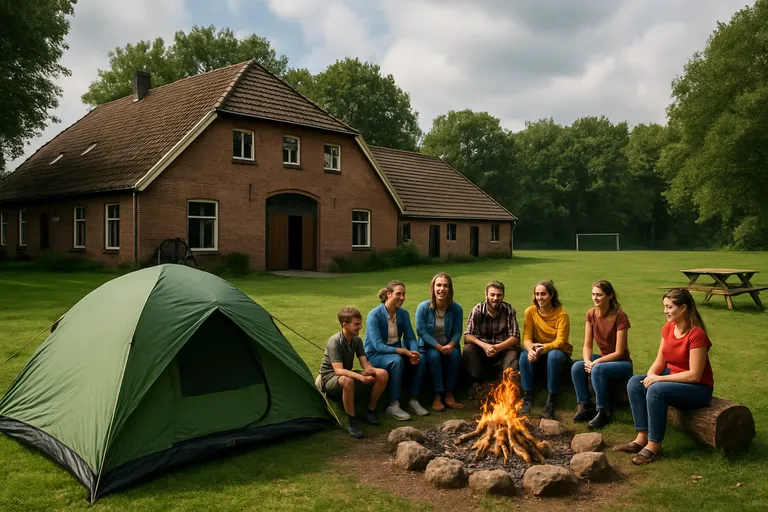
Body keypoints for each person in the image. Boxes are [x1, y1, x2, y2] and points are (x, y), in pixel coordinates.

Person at [615, 288, 714, 465]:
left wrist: (658, 379)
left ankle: (654, 445)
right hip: (674, 377)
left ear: (683, 308)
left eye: (669, 307)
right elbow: (660, 361)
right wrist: (651, 375)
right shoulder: (669, 328)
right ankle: (642, 437)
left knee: (656, 389)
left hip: (698, 389)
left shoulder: (696, 334)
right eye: (665, 306)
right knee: (635, 383)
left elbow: (694, 375)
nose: (665, 311)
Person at [318, 307, 389, 438]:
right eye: (356, 324)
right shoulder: (335, 341)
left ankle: (370, 410)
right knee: (347, 380)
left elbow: (364, 362)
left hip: (346, 373)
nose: (360, 327)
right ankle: (351, 420)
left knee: (382, 373)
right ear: (345, 325)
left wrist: (370, 371)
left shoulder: (356, 340)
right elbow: (338, 370)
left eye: (360, 323)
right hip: (330, 378)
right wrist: (361, 378)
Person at [571, 280, 633, 428]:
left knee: (597, 369)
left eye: (599, 295)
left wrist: (596, 363)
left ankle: (604, 411)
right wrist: (587, 361)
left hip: (622, 363)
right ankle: (586, 405)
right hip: (603, 359)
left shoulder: (620, 317)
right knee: (577, 367)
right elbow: (587, 345)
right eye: (593, 294)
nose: (595, 298)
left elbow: (619, 352)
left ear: (610, 296)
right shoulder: (591, 314)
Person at [364, 280, 428, 421]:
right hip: (375, 355)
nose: (402, 298)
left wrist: (414, 352)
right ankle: (393, 405)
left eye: (404, 294)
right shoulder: (374, 315)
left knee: (421, 358)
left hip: (396, 351)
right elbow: (377, 345)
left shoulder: (403, 314)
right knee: (397, 361)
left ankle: (413, 400)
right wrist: (402, 351)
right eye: (398, 294)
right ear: (388, 294)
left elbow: (411, 337)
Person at [520, 280, 572, 419]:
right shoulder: (530, 311)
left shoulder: (562, 315)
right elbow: (526, 337)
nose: (539, 297)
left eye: (543, 294)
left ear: (551, 295)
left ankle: (551, 398)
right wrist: (531, 349)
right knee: (524, 355)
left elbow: (561, 341)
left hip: (558, 351)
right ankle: (527, 395)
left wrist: (543, 348)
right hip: (538, 349)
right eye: (537, 294)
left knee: (554, 356)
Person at [416, 272, 464, 412]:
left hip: (448, 345)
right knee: (434, 356)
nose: (442, 289)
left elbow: (457, 331)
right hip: (429, 346)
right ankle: (437, 395)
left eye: (445, 286)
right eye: (439, 285)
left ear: (450, 289)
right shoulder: (423, 308)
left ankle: (449, 393)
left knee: (455, 355)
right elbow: (422, 332)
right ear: (433, 287)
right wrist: (438, 346)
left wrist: (451, 345)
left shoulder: (456, 309)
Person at [462, 280, 521, 392]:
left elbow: (515, 337)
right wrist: (485, 346)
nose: (495, 298)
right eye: (492, 295)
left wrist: (497, 348)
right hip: (482, 350)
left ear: (503, 296)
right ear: (486, 295)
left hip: (503, 349)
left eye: (499, 295)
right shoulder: (477, 310)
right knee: (468, 349)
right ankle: (475, 383)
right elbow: (467, 336)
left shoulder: (509, 310)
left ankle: (507, 385)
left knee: (513, 352)